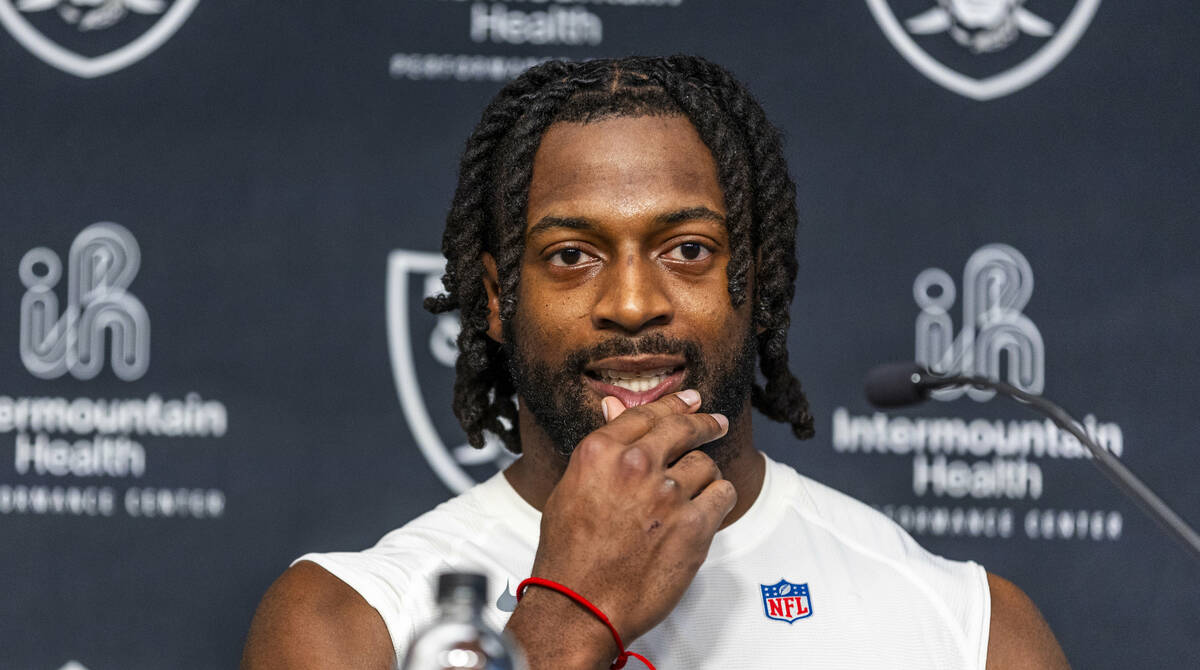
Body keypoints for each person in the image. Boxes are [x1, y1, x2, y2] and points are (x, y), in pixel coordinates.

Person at [242, 55, 1069, 669]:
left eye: (687, 249)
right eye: (571, 255)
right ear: (496, 299)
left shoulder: (974, 634)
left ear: (760, 280)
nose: (633, 302)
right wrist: (568, 616)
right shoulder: (348, 626)